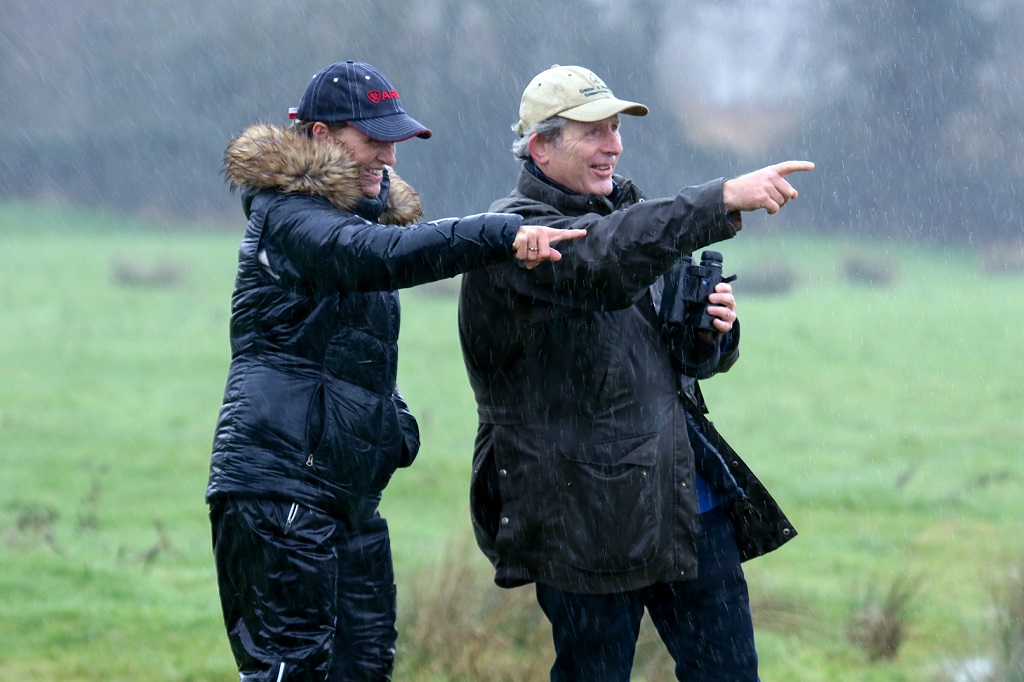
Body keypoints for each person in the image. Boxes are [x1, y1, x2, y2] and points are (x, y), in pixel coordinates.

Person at [206, 60, 583, 682]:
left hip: (348, 496)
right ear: (322, 137)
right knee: (289, 671)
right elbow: (376, 258)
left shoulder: (349, 220)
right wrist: (499, 234)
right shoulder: (287, 215)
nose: (390, 156)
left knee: (365, 670)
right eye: (375, 140)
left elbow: (347, 341)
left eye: (395, 141)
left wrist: (390, 418)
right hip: (281, 491)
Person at [458, 64, 813, 681]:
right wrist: (720, 197)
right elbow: (599, 262)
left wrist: (712, 331)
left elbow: (683, 359)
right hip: (580, 514)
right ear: (541, 145)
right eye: (594, 132)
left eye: (616, 130)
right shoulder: (514, 236)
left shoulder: (634, 214)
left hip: (683, 502)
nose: (614, 147)